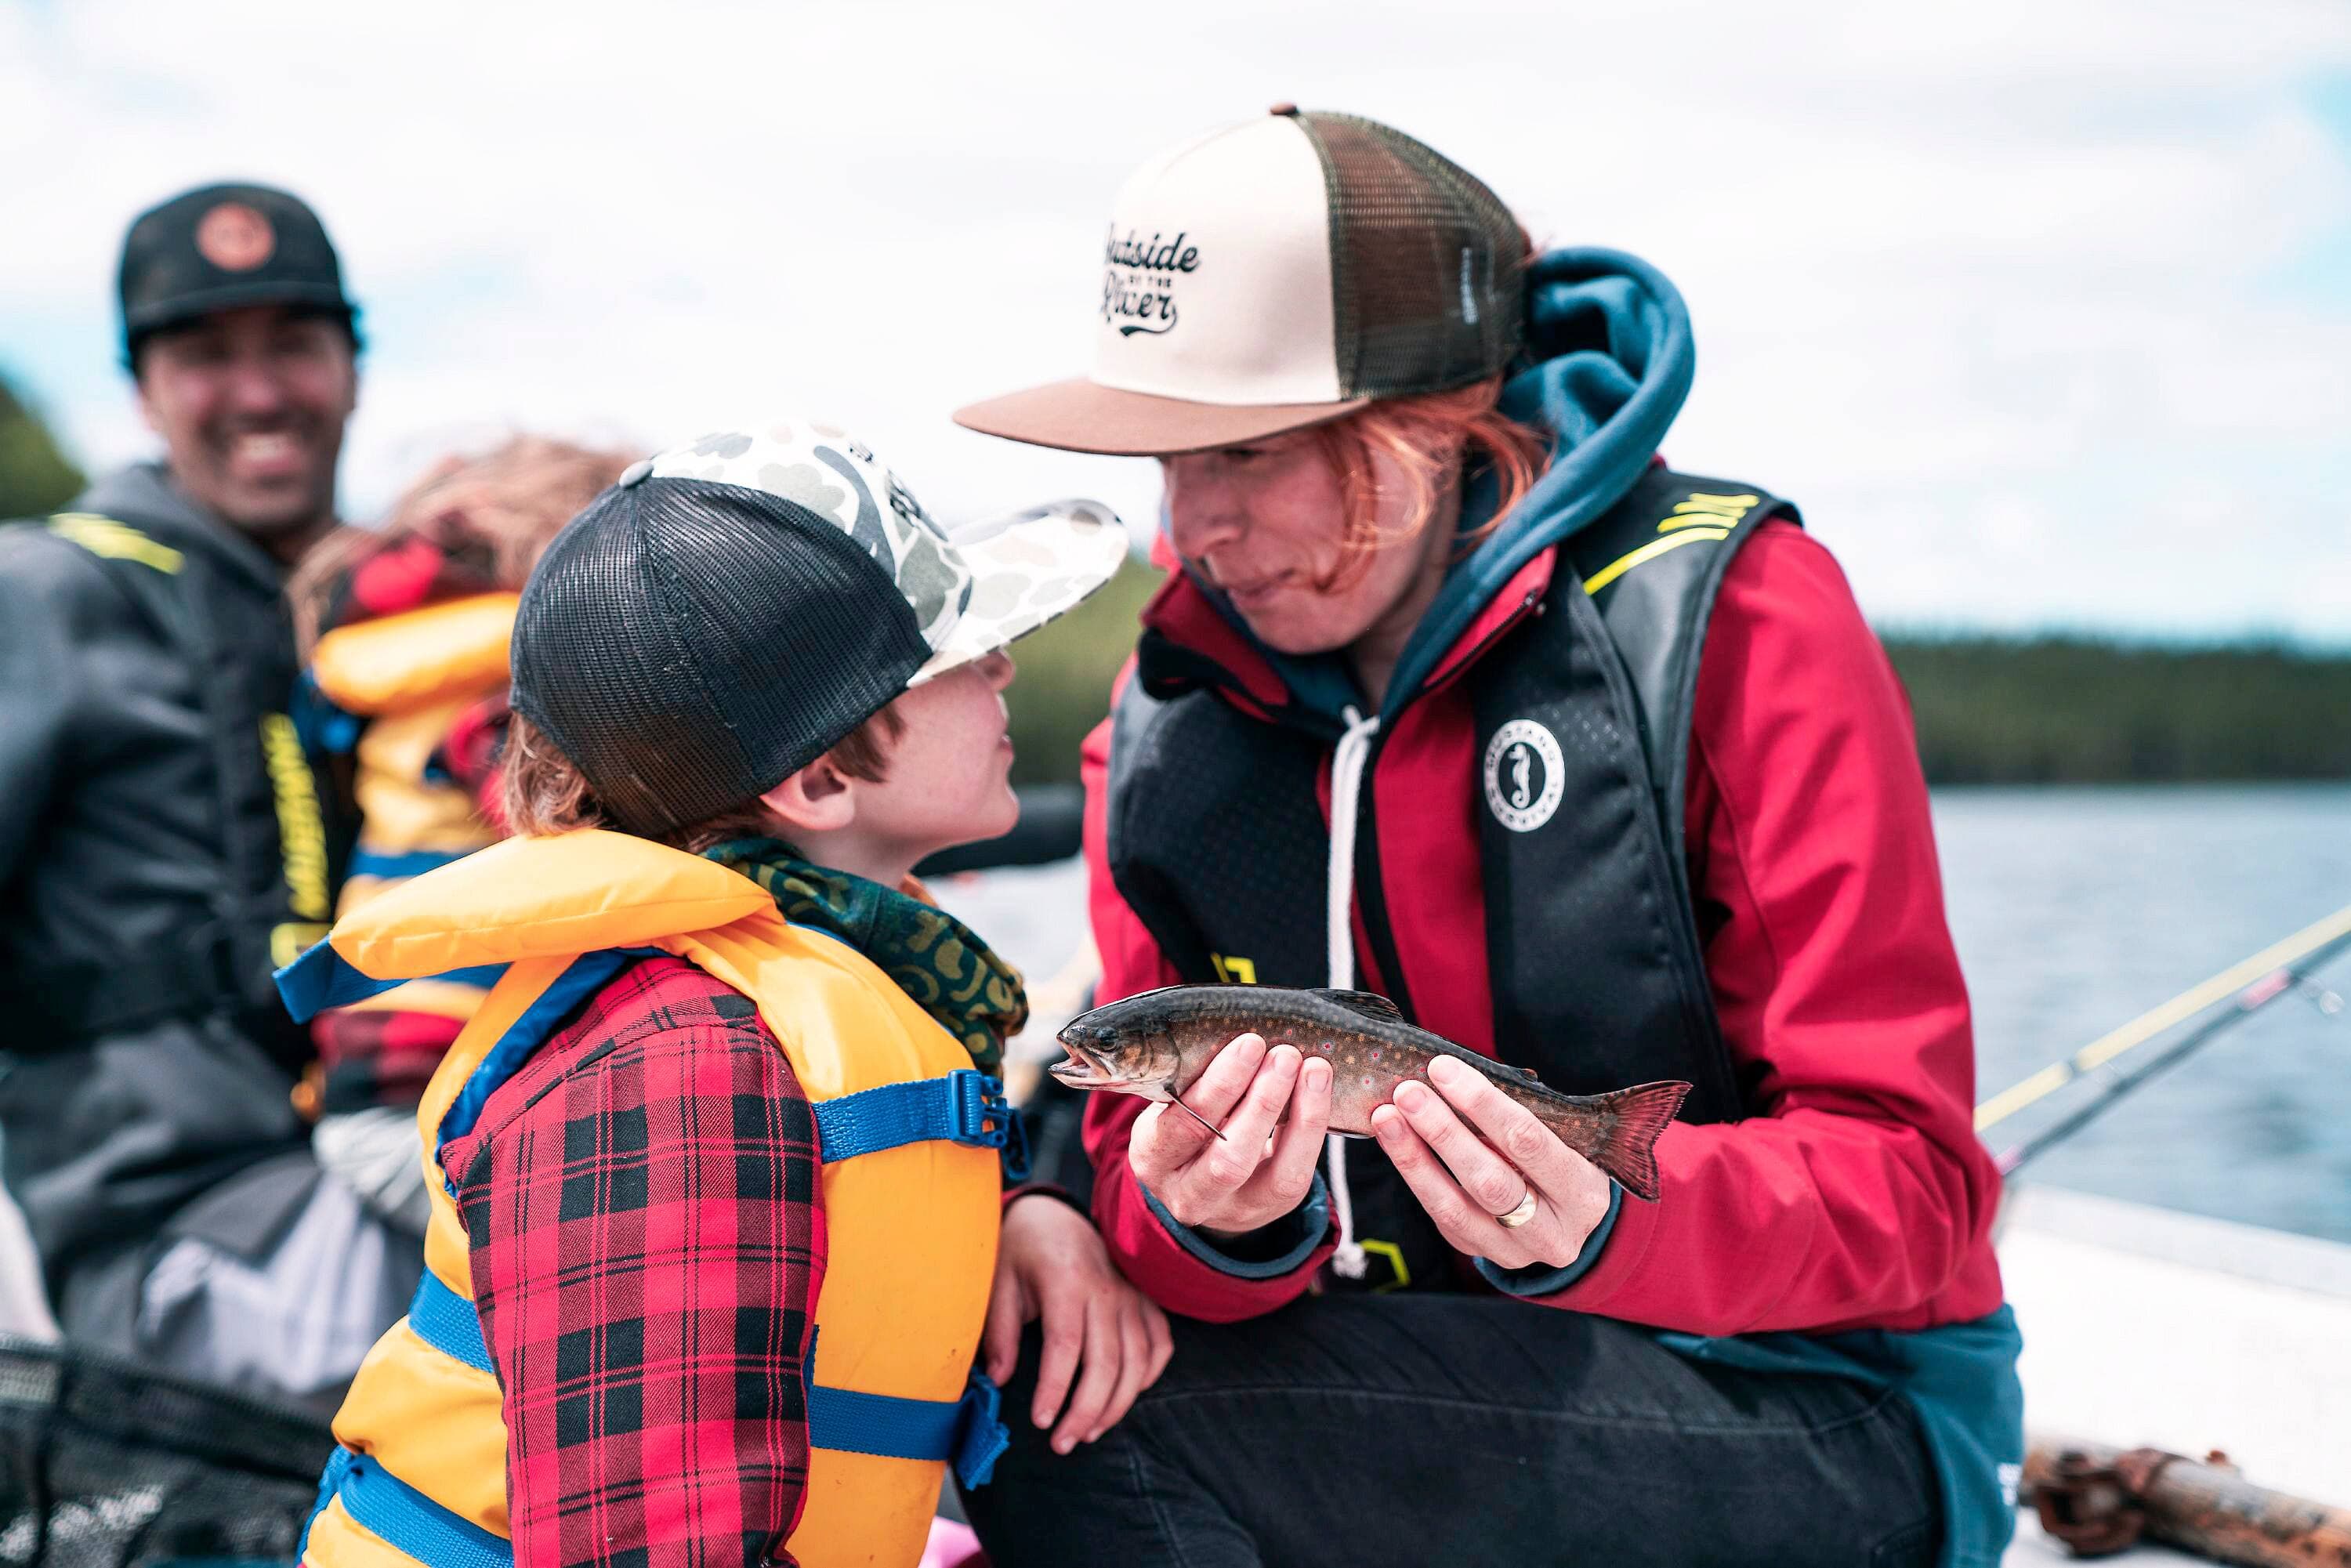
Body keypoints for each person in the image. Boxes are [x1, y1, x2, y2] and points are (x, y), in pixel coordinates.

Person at [951, 108, 2023, 1568]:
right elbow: (1168, 1231)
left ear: (1437, 428)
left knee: (1118, 1443)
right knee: (1016, 1400)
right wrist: (1195, 1227)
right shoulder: (1164, 714)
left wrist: (1604, 1212)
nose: (1189, 531)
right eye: (1167, 461)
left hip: (1814, 1400)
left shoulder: (1743, 619)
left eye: (1250, 454)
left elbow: (1923, 1195)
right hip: (1410, 1365)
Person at [279, 426, 1168, 1568]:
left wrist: (1019, 1212)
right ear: (817, 778)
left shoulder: (790, 987)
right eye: (959, 651)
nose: (1003, 668)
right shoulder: (679, 1057)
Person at [0, 182, 407, 1407]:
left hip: (382, 1176)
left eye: (294, 344)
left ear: (351, 365)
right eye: (206, 355)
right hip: (182, 1245)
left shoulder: (401, 621)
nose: (260, 391)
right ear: (140, 388)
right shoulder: (43, 594)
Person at [285, 436, 633, 1234]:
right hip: (428, 1111)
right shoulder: (493, 700)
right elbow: (566, 826)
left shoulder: (409, 682)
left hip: (385, 1100)